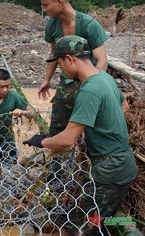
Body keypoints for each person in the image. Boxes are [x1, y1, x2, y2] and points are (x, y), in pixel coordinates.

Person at [23, 36, 137, 235]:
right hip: (124, 163)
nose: (61, 70)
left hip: (109, 171)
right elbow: (124, 106)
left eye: (60, 64)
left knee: (79, 224)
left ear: (70, 59)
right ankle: (127, 228)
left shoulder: (89, 90)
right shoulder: (105, 78)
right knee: (102, 217)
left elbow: (67, 139)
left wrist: (41, 141)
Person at [38, 0, 109, 137]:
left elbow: (102, 60)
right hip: (67, 84)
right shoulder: (52, 25)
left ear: (59, 2)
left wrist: (94, 89)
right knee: (57, 128)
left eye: (46, 5)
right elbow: (54, 54)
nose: (44, 9)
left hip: (89, 81)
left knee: (91, 130)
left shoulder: (89, 24)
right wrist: (46, 80)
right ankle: (57, 158)